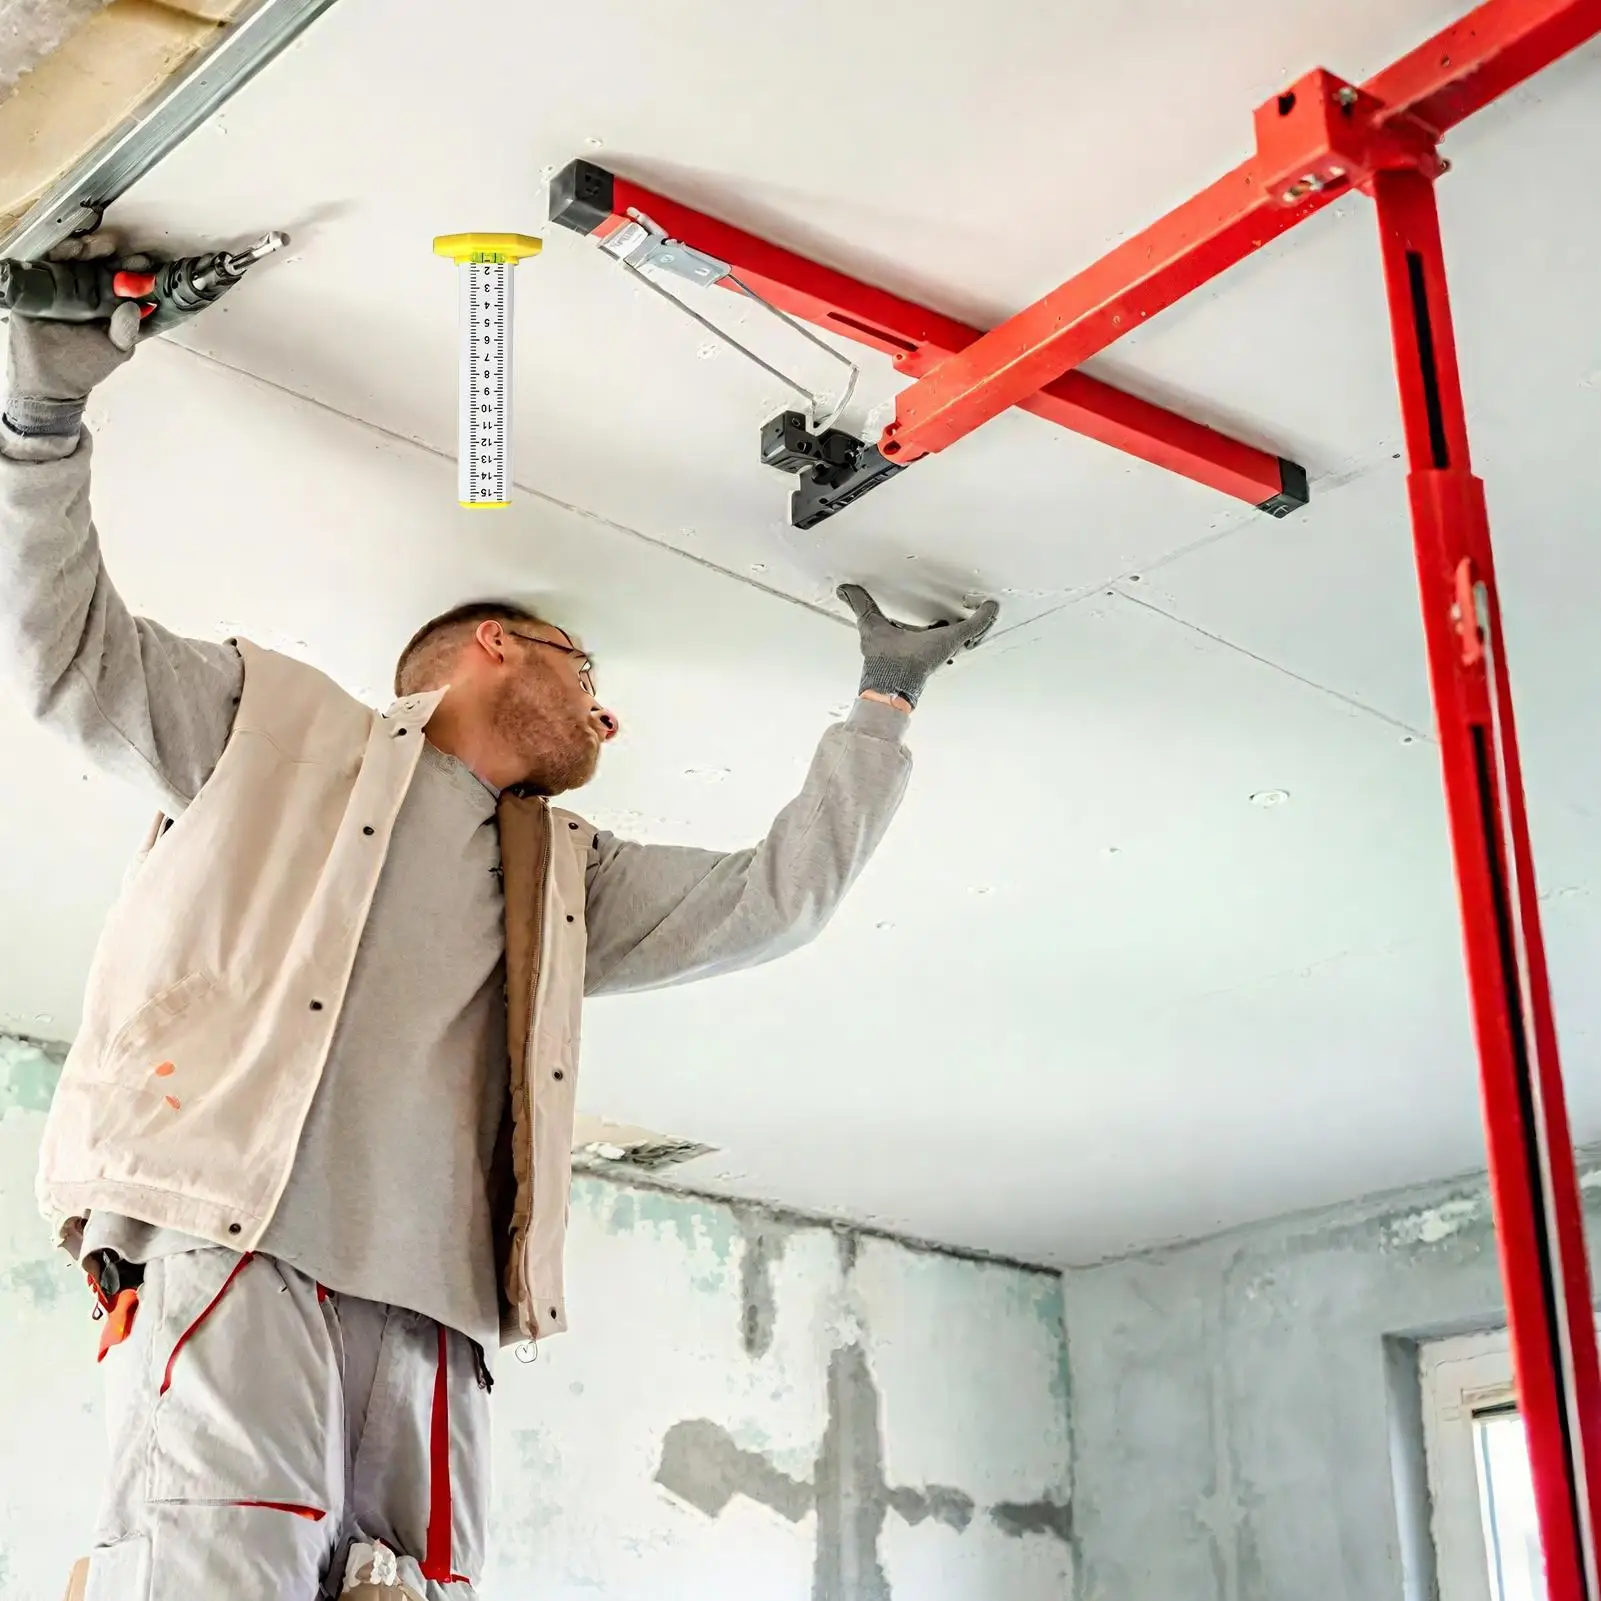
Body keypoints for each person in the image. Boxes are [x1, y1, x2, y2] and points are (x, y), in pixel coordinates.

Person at [0, 231, 999, 1601]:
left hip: (440, 1318)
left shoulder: (562, 885)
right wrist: (38, 418)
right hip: (241, 1253)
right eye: (586, 671)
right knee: (211, 1576)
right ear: (493, 649)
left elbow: (778, 899)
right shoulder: (278, 729)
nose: (611, 712)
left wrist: (884, 701)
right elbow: (68, 662)